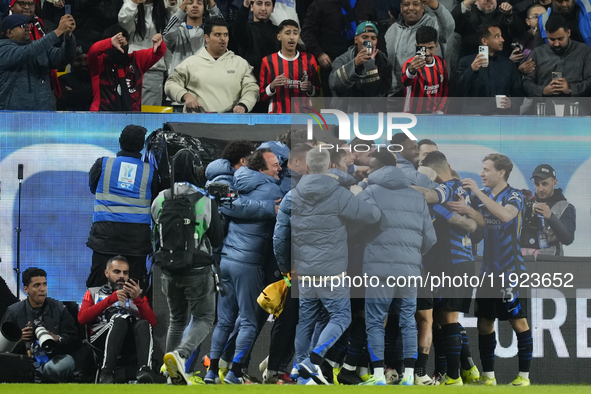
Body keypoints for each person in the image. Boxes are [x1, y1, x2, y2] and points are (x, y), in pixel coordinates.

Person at [287, 147, 381, 385]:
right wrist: (361, 193)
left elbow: (283, 233)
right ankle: (314, 361)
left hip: (305, 271)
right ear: (330, 167)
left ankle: (300, 371)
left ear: (307, 167)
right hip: (332, 271)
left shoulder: (294, 194)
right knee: (341, 317)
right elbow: (372, 215)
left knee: (305, 321)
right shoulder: (339, 194)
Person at [447, 153, 533, 386]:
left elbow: (505, 216)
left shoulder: (515, 196)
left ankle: (524, 377)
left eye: (486, 169)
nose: (482, 173)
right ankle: (488, 376)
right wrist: (466, 207)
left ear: (501, 173)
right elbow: (480, 223)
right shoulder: (482, 197)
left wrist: (476, 193)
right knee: (484, 321)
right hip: (487, 271)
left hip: (511, 270)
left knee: (518, 321)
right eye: (482, 169)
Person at [353, 150, 436, 386]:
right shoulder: (416, 197)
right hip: (409, 270)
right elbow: (430, 238)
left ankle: (378, 375)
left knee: (376, 320)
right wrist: (411, 255)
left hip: (378, 269)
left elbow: (357, 227)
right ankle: (409, 376)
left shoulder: (368, 193)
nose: (368, 171)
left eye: (371, 167)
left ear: (378, 168)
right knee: (408, 320)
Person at [206, 148, 285, 384]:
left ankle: (211, 373)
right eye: (274, 164)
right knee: (249, 320)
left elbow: (229, 207)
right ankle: (234, 372)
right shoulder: (273, 189)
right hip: (248, 264)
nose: (279, 167)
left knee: (225, 321)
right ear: (261, 169)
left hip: (227, 259)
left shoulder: (235, 183)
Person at [151, 150, 224, 385]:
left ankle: (169, 374)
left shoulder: (160, 198)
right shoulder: (204, 200)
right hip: (198, 269)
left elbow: (155, 232)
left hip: (169, 270)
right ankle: (180, 356)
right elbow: (217, 237)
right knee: (204, 317)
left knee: (177, 320)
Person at [420, 151, 481, 386]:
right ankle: (452, 372)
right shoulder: (465, 192)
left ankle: (454, 377)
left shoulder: (448, 187)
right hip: (463, 262)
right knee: (444, 317)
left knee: (447, 318)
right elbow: (476, 228)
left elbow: (429, 196)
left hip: (451, 263)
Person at [86, 125, 158, 289]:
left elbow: (93, 188)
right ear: (141, 146)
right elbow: (154, 200)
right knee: (134, 289)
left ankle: (96, 314)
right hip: (136, 241)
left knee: (97, 288)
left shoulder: (102, 164)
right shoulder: (151, 171)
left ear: (120, 142)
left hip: (105, 237)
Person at [78, 256, 157, 384]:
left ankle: (145, 369)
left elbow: (152, 323)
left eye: (125, 273)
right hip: (100, 338)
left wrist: (138, 300)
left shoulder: (138, 293)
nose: (122, 276)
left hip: (129, 340)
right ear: (106, 273)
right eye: (117, 272)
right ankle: (107, 371)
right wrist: (110, 300)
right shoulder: (93, 292)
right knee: (119, 320)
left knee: (143, 323)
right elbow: (82, 319)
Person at [164, 17, 259, 113]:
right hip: (197, 123)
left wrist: (244, 105)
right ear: (207, 38)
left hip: (231, 122)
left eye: (225, 35)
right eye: (217, 34)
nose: (223, 38)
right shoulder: (191, 63)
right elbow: (170, 84)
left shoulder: (241, 64)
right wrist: (185, 96)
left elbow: (251, 88)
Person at [1, 267, 78, 383]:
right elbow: (2, 350)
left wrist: (58, 338)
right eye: (37, 285)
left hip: (52, 362)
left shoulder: (59, 309)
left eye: (44, 284)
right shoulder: (14, 312)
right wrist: (18, 339)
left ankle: (33, 377)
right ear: (26, 289)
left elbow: (75, 341)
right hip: (22, 362)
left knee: (67, 361)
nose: (42, 289)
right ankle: (37, 376)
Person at [0, 13, 76, 110]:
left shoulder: (38, 47)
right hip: (13, 115)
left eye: (29, 25)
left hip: (44, 112)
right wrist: (58, 31)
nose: (28, 28)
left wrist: (68, 36)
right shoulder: (2, 49)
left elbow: (64, 57)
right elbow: (26, 53)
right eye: (23, 26)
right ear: (10, 32)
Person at [300, 0, 375, 97]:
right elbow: (307, 31)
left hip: (364, 66)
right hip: (332, 66)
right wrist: (319, 53)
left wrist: (377, 56)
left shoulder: (365, 3)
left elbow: (378, 30)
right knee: (334, 109)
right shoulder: (321, 4)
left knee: (364, 107)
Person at [384, 0, 454, 102]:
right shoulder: (391, 30)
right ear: (401, 7)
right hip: (395, 97)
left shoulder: (434, 24)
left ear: (423, 7)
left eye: (415, 4)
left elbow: (449, 26)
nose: (411, 8)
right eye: (406, 4)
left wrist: (436, 6)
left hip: (426, 98)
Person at [523, 14, 591, 114]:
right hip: (544, 110)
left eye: (560, 39)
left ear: (568, 33)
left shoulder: (584, 51)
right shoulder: (537, 53)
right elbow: (526, 83)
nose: (556, 44)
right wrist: (543, 91)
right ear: (546, 34)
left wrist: (570, 89)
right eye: (552, 39)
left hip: (577, 110)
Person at [87, 25, 166, 111]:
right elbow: (92, 51)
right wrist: (109, 42)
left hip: (132, 118)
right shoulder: (99, 63)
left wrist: (160, 43)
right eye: (115, 45)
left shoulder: (137, 60)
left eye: (122, 44)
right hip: (101, 118)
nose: (119, 48)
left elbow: (158, 52)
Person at [456, 24, 523, 115]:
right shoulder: (466, 62)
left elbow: (519, 94)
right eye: (497, 36)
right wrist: (471, 70)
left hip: (501, 118)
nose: (502, 40)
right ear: (484, 41)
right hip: (474, 118)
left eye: (501, 36)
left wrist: (512, 103)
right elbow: (457, 91)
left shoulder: (508, 64)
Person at [118, 0, 174, 106]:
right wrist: (134, 2)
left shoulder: (164, 10)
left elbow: (169, 39)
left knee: (149, 115)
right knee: (129, 110)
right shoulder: (130, 4)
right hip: (133, 69)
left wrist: (169, 69)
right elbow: (123, 22)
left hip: (154, 70)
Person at [328, 21, 392, 112]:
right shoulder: (342, 60)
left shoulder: (383, 61)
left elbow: (379, 94)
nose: (369, 41)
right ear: (356, 39)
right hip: (345, 114)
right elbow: (334, 84)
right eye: (365, 37)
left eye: (373, 38)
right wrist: (355, 64)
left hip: (371, 116)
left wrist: (370, 66)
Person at [259, 19, 319, 113]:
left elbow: (317, 91)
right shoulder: (268, 61)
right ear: (279, 37)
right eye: (287, 33)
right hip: (278, 116)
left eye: (295, 33)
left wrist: (310, 88)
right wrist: (272, 86)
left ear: (298, 37)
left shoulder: (309, 59)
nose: (292, 37)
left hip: (304, 116)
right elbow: (261, 96)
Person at [520, 164, 576, 256]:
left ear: (554, 183)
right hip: (525, 260)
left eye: (544, 184)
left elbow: (568, 239)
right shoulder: (527, 204)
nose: (540, 189)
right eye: (537, 184)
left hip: (551, 262)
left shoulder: (565, 207)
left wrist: (550, 217)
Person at [163, 0, 223, 76]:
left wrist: (212, 5)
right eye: (190, 3)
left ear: (204, 8)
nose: (195, 5)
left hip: (205, 78)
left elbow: (222, 28)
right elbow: (167, 36)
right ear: (185, 7)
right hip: (180, 79)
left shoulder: (210, 32)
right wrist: (181, 10)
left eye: (199, 3)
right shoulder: (178, 31)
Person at [452, 0, 526, 59]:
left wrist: (510, 15)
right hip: (472, 61)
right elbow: (451, 25)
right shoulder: (467, 14)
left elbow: (519, 32)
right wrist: (466, 3)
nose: (488, 0)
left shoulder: (504, 13)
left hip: (501, 62)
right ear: (475, 2)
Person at [401, 26, 449, 114]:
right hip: (413, 116)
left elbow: (445, 90)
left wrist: (440, 111)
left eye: (430, 48)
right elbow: (405, 82)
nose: (427, 53)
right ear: (416, 46)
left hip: (435, 116)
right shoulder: (410, 64)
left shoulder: (441, 62)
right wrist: (411, 71)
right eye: (423, 49)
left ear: (436, 46)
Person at [233, 0, 278, 92]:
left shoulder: (279, 32)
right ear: (252, 7)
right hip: (250, 85)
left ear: (273, 8)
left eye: (267, 4)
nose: (263, 8)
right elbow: (238, 28)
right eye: (259, 3)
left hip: (275, 85)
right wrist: (245, 4)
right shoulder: (245, 29)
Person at [57, 42, 93, 111]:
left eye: (86, 59)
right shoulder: (62, 79)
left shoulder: (97, 79)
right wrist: (93, 91)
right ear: (71, 62)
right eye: (78, 60)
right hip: (70, 119)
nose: (83, 64)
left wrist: (73, 94)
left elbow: (70, 98)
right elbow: (63, 101)